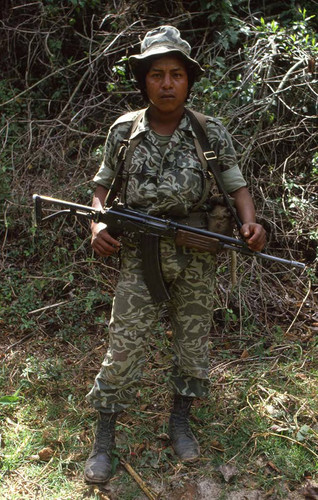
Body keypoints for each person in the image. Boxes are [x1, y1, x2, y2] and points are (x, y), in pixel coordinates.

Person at [84, 25, 266, 484]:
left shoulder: (210, 132)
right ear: (144, 80)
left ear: (189, 80)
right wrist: (98, 223)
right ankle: (104, 437)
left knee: (191, 344)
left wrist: (251, 223)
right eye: (157, 74)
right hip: (139, 258)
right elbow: (101, 189)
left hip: (197, 255)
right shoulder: (124, 130)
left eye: (177, 74)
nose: (167, 84)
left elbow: (236, 185)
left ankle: (179, 422)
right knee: (122, 347)